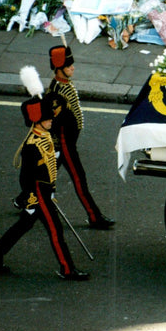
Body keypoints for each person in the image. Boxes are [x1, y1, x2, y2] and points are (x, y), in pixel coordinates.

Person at [0, 66, 89, 281]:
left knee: (23, 225)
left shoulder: (45, 136)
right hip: (39, 194)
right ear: (37, 120)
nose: (52, 121)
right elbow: (25, 177)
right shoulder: (32, 145)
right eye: (48, 118)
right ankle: (67, 269)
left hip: (45, 192)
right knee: (56, 231)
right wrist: (33, 196)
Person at [46, 45, 114, 229]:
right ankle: (94, 216)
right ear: (59, 68)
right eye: (68, 66)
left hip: (67, 140)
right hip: (64, 142)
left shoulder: (64, 84)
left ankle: (24, 200)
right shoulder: (56, 91)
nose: (72, 68)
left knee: (47, 175)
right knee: (79, 178)